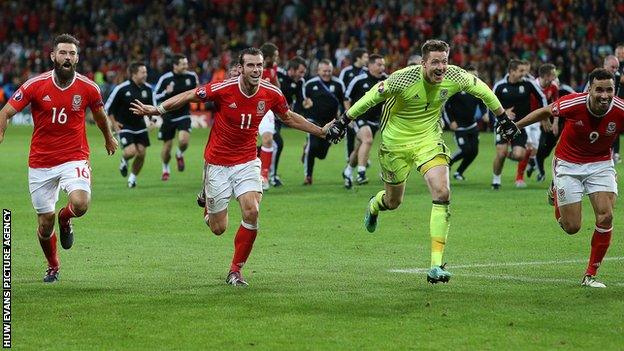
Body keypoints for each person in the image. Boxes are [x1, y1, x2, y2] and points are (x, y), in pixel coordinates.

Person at [131, 48, 330, 287]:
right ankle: (207, 206)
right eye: (251, 66)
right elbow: (189, 96)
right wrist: (157, 109)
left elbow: (288, 117)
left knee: (252, 211)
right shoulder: (223, 89)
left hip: (246, 161)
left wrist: (320, 131)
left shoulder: (271, 93)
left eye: (259, 65)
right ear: (241, 67)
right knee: (218, 228)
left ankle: (235, 271)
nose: (256, 70)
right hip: (217, 164)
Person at [325, 40, 517, 284]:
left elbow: (483, 90)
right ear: (423, 63)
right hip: (395, 144)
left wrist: (503, 119)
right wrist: (343, 122)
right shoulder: (403, 79)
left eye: (444, 61)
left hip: (428, 141)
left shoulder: (456, 75)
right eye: (435, 62)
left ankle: (436, 265)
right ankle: (375, 205)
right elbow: (371, 97)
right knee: (393, 201)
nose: (441, 67)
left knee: (442, 191)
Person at [0, 34, 117, 283]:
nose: (68, 57)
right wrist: (1, 131)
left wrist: (108, 137)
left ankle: (66, 218)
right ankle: (53, 265)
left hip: (74, 157)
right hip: (41, 162)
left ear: (77, 58)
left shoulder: (88, 87)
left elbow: (99, 116)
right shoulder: (35, 85)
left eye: (72, 53)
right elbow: (6, 111)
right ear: (53, 56)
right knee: (44, 224)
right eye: (63, 53)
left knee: (81, 204)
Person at [513, 68, 624, 288]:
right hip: (568, 164)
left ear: (615, 90)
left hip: (600, 163)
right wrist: (515, 127)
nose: (604, 95)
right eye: (599, 90)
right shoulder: (573, 103)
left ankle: (590, 274)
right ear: (589, 89)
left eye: (609, 90)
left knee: (606, 217)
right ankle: (556, 192)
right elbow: (544, 112)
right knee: (572, 227)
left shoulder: (620, 109)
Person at [491, 59, 547, 189]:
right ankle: (496, 181)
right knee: (500, 153)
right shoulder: (500, 86)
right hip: (502, 125)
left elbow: (542, 98)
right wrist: (503, 112)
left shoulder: (528, 84)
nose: (524, 73)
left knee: (519, 155)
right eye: (521, 71)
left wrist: (545, 116)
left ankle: (505, 155)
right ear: (511, 71)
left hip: (519, 126)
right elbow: (489, 104)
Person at [104, 62, 153, 188]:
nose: (145, 75)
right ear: (134, 74)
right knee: (131, 152)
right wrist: (114, 124)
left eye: (146, 72)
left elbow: (152, 108)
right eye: (143, 72)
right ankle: (124, 160)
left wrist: (152, 121)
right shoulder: (121, 88)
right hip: (124, 126)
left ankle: (132, 178)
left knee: (141, 153)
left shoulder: (148, 89)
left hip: (140, 126)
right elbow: (109, 108)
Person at [342, 54, 387, 188]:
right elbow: (347, 98)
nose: (382, 67)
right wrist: (349, 117)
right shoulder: (359, 79)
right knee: (367, 139)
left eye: (383, 65)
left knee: (359, 148)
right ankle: (361, 173)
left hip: (376, 120)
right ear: (371, 65)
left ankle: (348, 170)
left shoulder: (387, 80)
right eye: (379, 65)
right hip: (360, 118)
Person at [153, 53, 199, 181]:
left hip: (184, 114)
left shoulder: (192, 76)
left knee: (184, 141)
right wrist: (165, 92)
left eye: (186, 63)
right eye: (183, 64)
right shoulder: (165, 79)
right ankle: (166, 169)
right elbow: (155, 96)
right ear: (175, 66)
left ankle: (179, 154)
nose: (186, 66)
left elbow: (197, 92)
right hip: (168, 116)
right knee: (167, 147)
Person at [301, 58, 347, 185]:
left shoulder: (338, 84)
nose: (327, 73)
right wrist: (304, 105)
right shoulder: (310, 84)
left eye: (329, 71)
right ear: (318, 71)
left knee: (322, 154)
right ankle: (308, 176)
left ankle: (306, 150)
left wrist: (342, 119)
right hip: (313, 121)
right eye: (324, 71)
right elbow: (302, 101)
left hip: (331, 123)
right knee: (313, 146)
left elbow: (344, 102)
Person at [442, 65, 488, 181]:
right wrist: (451, 121)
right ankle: (447, 163)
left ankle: (459, 172)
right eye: (471, 75)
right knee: (465, 150)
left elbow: (483, 104)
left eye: (476, 76)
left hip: (472, 125)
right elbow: (446, 107)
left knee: (474, 151)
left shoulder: (477, 89)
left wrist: (484, 113)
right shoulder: (455, 88)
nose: (474, 78)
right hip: (459, 127)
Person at [274, 56, 307, 186]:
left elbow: (300, 101)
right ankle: (270, 176)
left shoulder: (300, 82)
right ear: (292, 70)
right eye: (301, 71)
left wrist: (306, 104)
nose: (302, 75)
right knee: (276, 143)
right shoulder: (277, 74)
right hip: (264, 115)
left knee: (273, 144)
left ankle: (268, 173)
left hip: (278, 118)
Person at [530, 63, 560, 181]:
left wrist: (556, 123)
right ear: (546, 76)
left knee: (549, 147)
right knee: (539, 146)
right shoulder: (533, 86)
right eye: (553, 74)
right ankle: (540, 172)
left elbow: (557, 105)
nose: (555, 76)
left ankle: (533, 163)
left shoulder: (553, 86)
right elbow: (533, 108)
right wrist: (543, 120)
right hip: (534, 119)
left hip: (549, 118)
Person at [339, 48, 369, 165]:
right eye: (365, 57)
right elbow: (341, 91)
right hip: (348, 111)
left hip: (364, 111)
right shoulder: (346, 72)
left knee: (363, 137)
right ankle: (350, 159)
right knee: (350, 137)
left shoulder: (367, 72)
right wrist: (343, 110)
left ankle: (359, 156)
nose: (367, 59)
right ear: (358, 58)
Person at [258, 42, 280, 190]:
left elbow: (276, 86)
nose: (277, 59)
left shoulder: (273, 69)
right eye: (275, 56)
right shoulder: (255, 69)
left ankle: (264, 176)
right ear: (267, 57)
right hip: (248, 109)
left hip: (265, 109)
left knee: (268, 139)